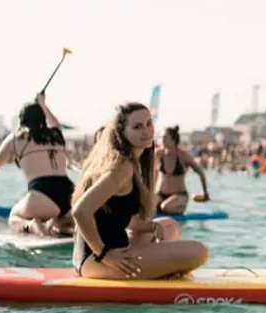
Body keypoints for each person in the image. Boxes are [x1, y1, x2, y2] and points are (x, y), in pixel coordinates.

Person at [71, 102, 208, 280]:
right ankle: (161, 272)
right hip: (99, 260)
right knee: (199, 251)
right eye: (137, 127)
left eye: (148, 124)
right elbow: (80, 211)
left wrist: (152, 227)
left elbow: (117, 217)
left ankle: (160, 269)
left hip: (115, 249)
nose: (146, 131)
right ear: (122, 133)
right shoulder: (121, 168)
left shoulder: (130, 164)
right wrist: (105, 254)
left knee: (168, 225)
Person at [0, 93, 74, 236]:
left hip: (43, 193)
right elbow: (55, 123)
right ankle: (62, 225)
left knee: (14, 217)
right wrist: (43, 104)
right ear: (43, 117)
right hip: (70, 193)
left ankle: (31, 225)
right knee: (56, 221)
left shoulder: (16, 138)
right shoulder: (57, 134)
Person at [156, 126, 210, 214]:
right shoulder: (158, 154)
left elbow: (200, 173)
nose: (161, 139)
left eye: (164, 137)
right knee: (147, 209)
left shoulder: (184, 156)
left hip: (179, 195)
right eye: (162, 137)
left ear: (173, 139)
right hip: (160, 194)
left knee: (165, 207)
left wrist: (205, 193)